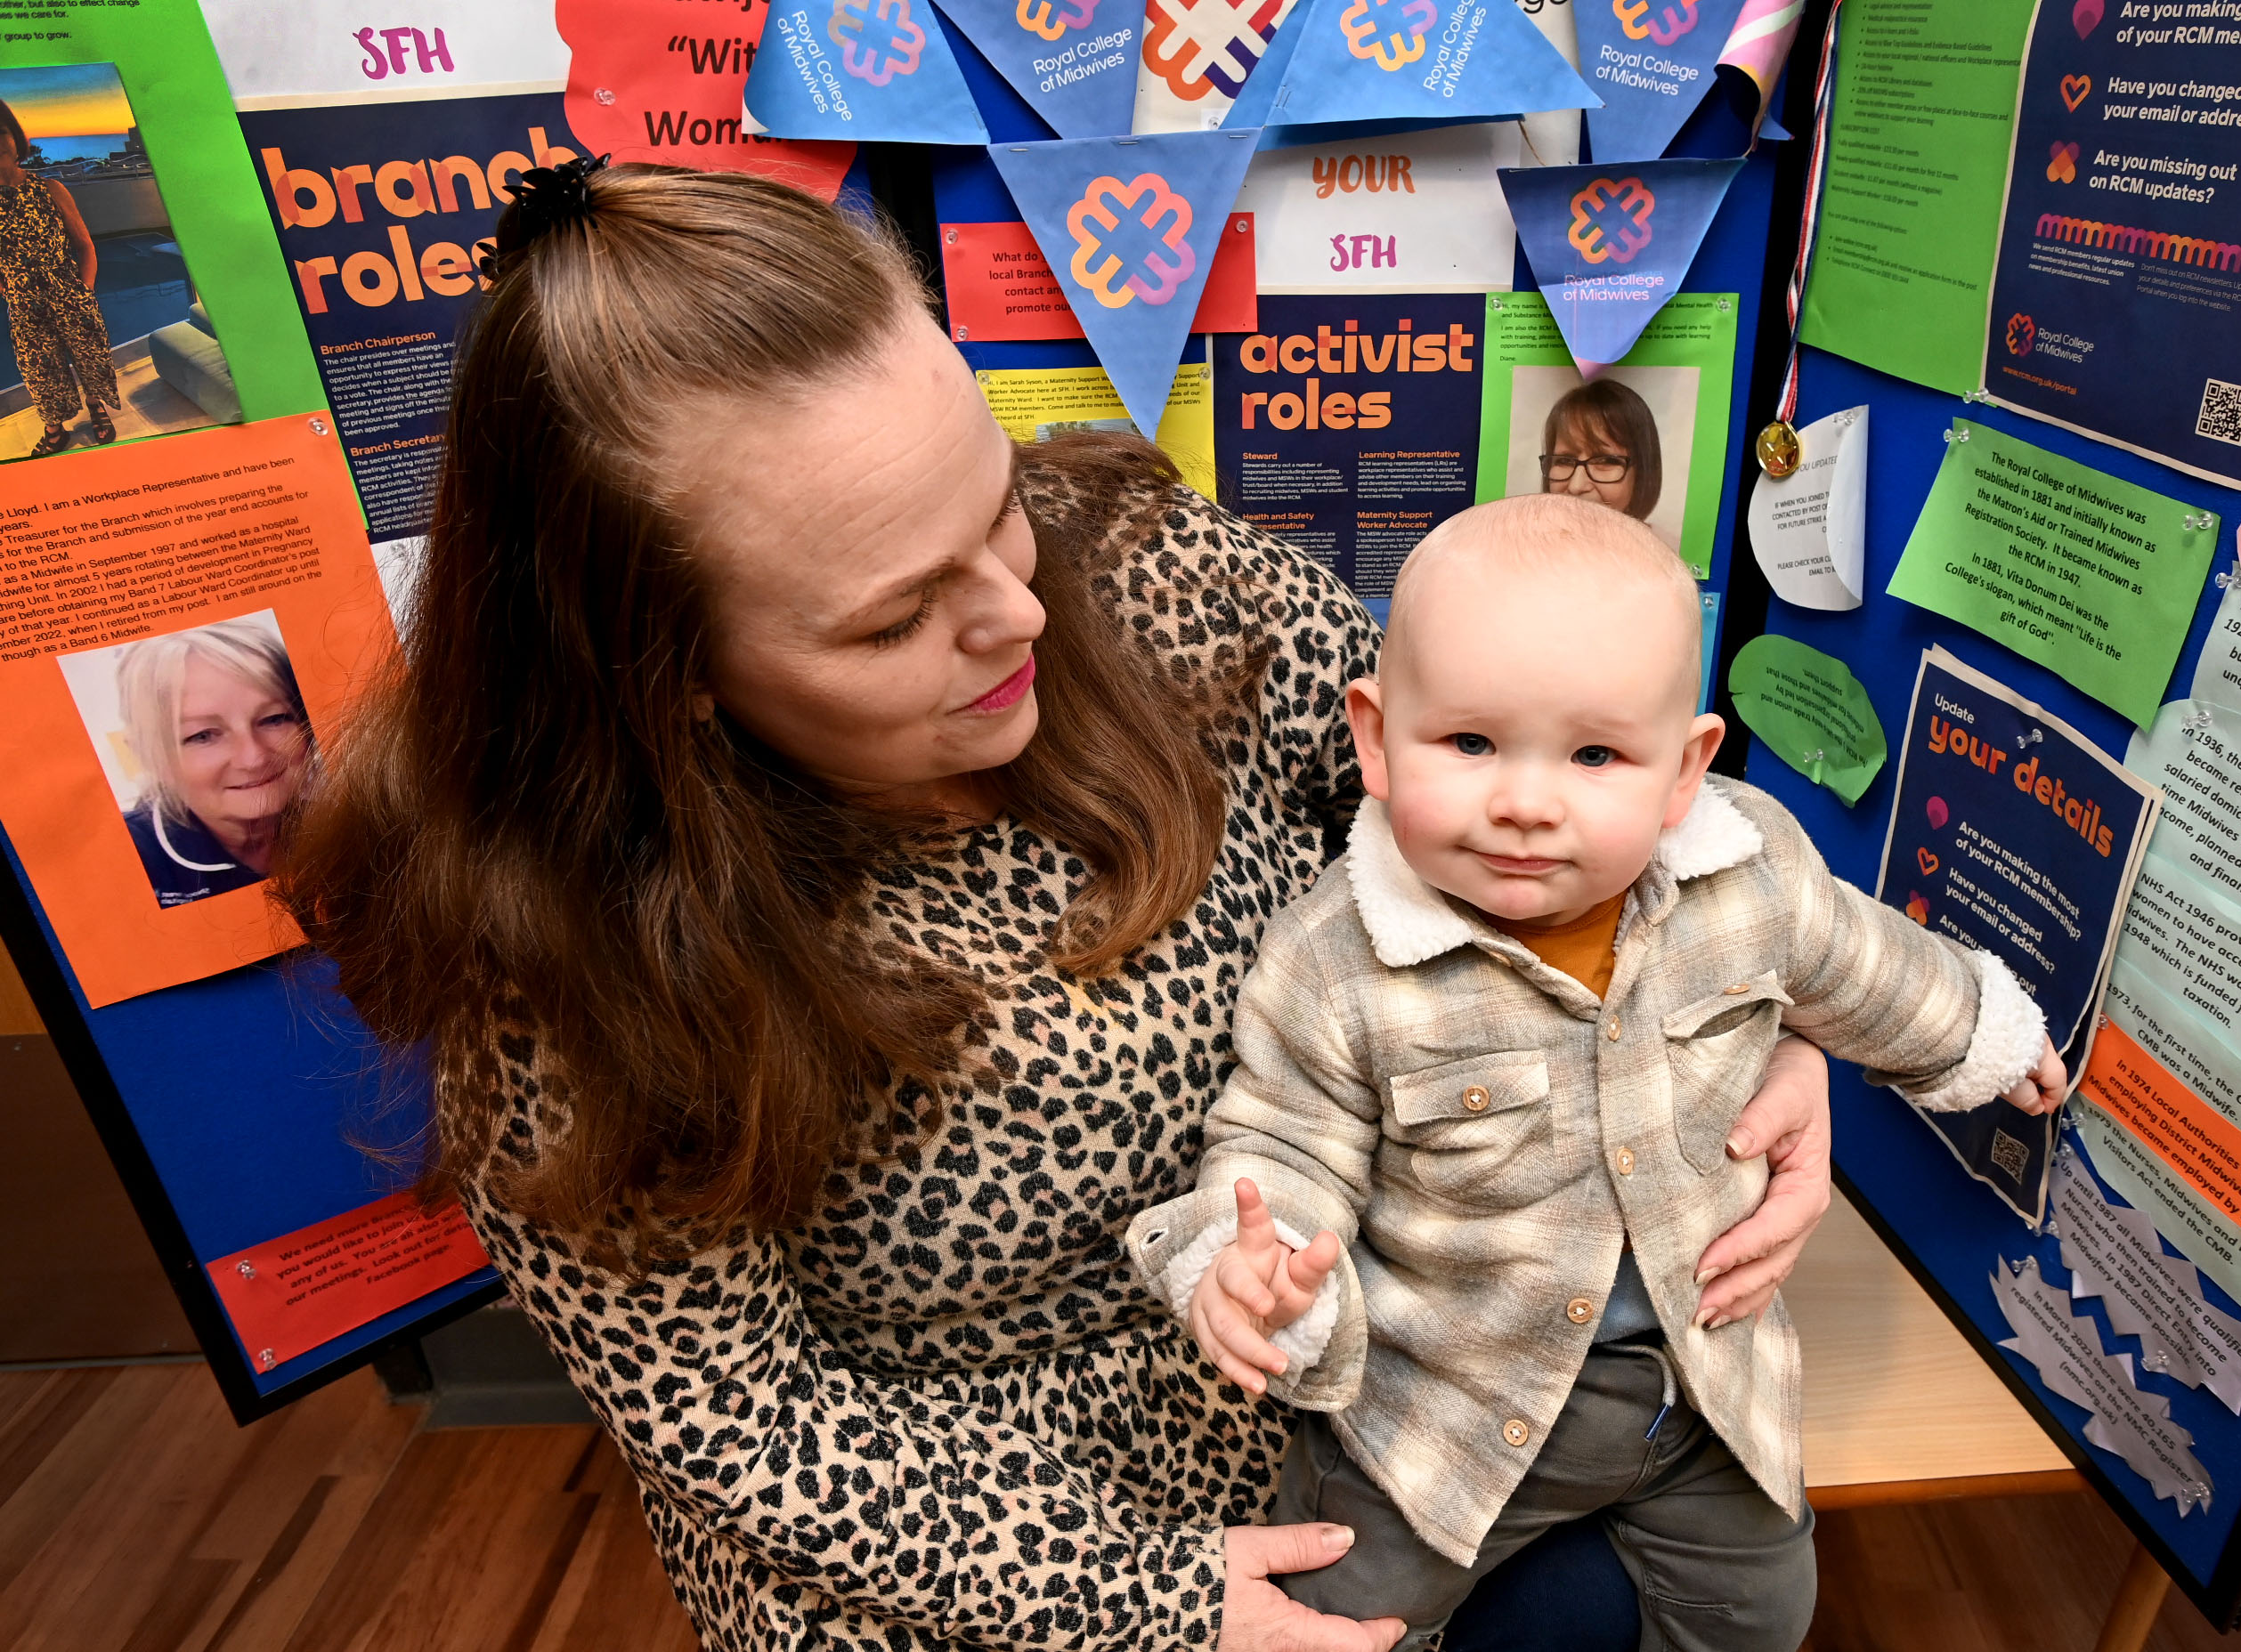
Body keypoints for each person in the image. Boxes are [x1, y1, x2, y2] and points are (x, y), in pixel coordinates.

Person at [273, 159, 1841, 1652]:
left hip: (1370, 1401)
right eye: (898, 615)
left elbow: (1522, 798)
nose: (1019, 606)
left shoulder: (1157, 577)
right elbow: (738, 1424)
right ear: (667, 678)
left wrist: (1734, 1016)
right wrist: (1142, 1605)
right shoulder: (568, 960)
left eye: (994, 501)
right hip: (974, 1544)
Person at [1129, 496, 2070, 1652]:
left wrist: (1986, 1032)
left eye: (1596, 755)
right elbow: (1283, 1137)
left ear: (1685, 773)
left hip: (1701, 1385)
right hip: (1446, 1411)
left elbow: (1860, 961)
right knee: (1340, 1613)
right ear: (1375, 738)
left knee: (1765, 1611)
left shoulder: (1748, 873)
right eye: (1469, 744)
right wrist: (1259, 1260)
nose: (1527, 802)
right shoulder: (1334, 961)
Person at [115, 620, 313, 909]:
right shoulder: (125, 856)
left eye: (274, 719)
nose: (253, 757)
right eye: (203, 735)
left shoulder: (348, 818)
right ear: (148, 756)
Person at [0, 98, 119, 459]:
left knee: (91, 358)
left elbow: (85, 246)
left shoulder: (50, 189)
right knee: (40, 374)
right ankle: (56, 430)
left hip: (70, 294)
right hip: (24, 307)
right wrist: (9, 291)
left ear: (15, 138)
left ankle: (96, 406)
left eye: (1, 131)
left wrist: (84, 292)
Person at [1539, 379, 1661, 520]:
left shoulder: (1658, 542)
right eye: (1564, 461)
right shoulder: (1522, 537)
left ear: (1642, 474)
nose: (1576, 486)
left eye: (1606, 461)